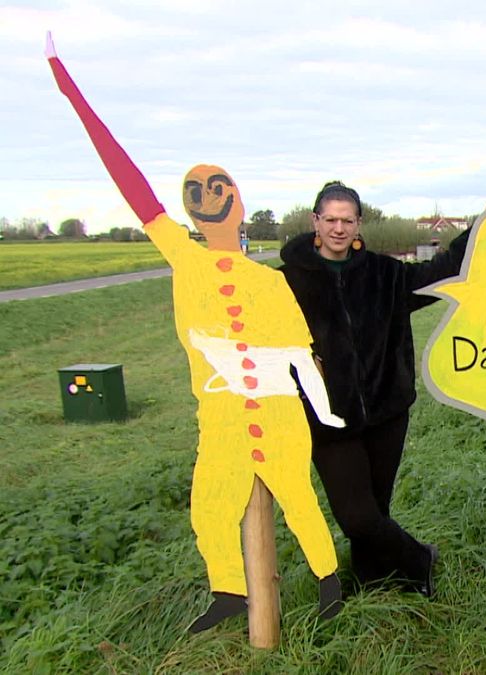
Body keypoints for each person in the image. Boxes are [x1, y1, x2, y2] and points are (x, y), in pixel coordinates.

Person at [47, 39, 344, 633]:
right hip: (222, 415)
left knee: (299, 498)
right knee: (210, 506)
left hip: (279, 411)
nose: (208, 199)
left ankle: (328, 583)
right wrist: (71, 92)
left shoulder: (269, 282)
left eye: (218, 190)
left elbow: (299, 352)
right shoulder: (186, 260)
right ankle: (229, 591)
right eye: (198, 194)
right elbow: (134, 189)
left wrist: (323, 409)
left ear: (238, 205)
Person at [279, 182, 486, 596]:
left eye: (348, 220)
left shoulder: (385, 274)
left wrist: (481, 226)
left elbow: (440, 270)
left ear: (359, 224)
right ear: (315, 221)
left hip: (387, 412)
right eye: (331, 219)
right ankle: (418, 559)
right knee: (356, 516)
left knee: (376, 508)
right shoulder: (284, 283)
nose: (339, 228)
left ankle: (371, 583)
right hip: (325, 416)